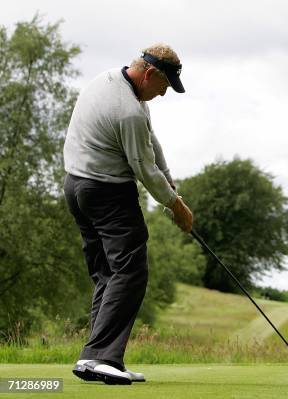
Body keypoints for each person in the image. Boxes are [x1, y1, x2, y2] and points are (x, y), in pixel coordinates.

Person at [63, 44, 193, 385]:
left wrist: (172, 187)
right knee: (130, 271)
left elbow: (152, 143)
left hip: (76, 188)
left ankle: (97, 359)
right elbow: (142, 167)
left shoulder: (111, 82)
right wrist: (175, 206)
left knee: (108, 273)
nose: (162, 95)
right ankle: (101, 356)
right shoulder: (128, 110)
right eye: (163, 87)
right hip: (107, 192)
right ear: (149, 74)